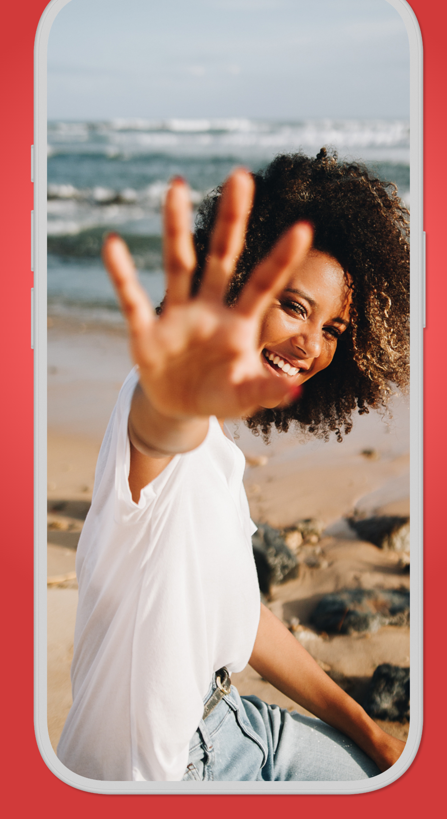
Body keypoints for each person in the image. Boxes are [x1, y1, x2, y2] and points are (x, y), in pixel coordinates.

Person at [57, 150, 410, 783]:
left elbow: (243, 619)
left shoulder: (218, 455)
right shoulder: (161, 415)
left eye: (334, 328)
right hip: (165, 774)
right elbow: (160, 421)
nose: (311, 346)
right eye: (295, 307)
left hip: (235, 724)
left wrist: (374, 735)